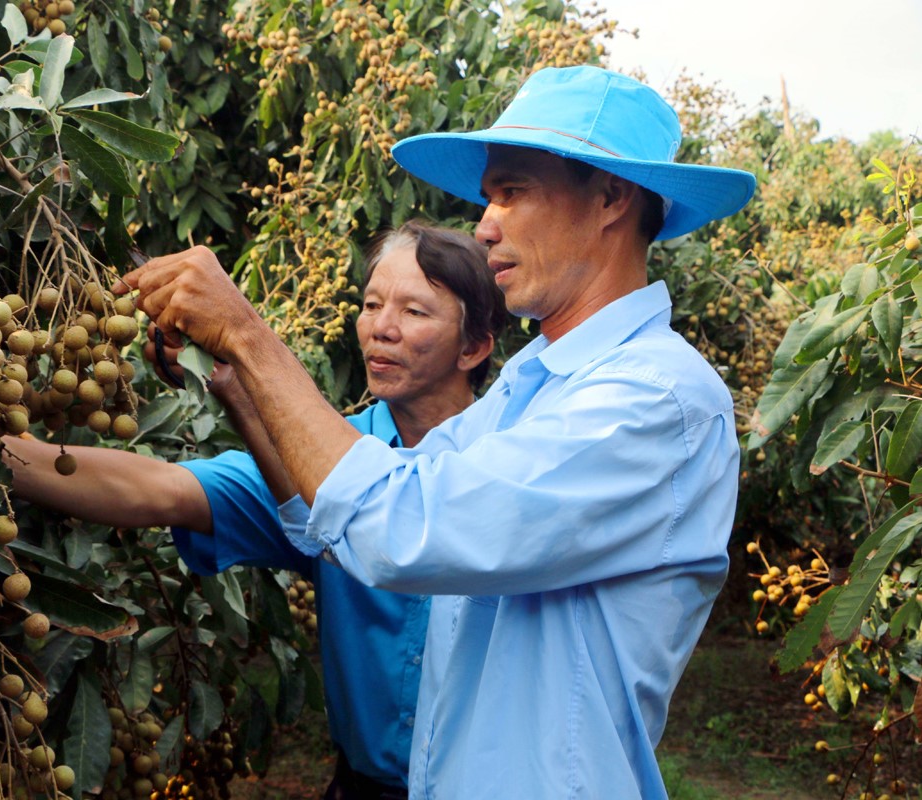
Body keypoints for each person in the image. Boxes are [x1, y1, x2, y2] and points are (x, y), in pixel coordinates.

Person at [117, 65, 757, 798]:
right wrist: (236, 375)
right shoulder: (531, 387)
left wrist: (248, 334)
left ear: (612, 197)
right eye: (489, 198)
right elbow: (354, 506)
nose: (485, 225)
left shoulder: (654, 398)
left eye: (512, 192)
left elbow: (399, 525)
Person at [3, 221, 507, 799]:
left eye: (414, 312)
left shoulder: (516, 468)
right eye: (371, 305)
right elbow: (160, 489)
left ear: (473, 347)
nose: (381, 328)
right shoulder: (321, 463)